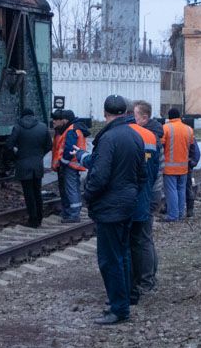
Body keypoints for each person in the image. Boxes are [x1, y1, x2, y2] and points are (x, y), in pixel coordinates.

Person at [78, 95, 146, 325]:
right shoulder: (135, 135)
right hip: (127, 203)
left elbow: (99, 175)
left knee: (110, 259)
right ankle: (124, 300)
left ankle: (118, 308)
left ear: (105, 113)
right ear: (125, 111)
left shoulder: (108, 139)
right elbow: (142, 174)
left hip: (110, 206)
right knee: (123, 254)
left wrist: (87, 196)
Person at [128, 100, 160, 302]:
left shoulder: (147, 137)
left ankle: (146, 280)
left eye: (135, 116)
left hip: (147, 194)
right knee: (145, 237)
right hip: (151, 193)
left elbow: (148, 172)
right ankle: (148, 277)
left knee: (143, 238)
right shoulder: (154, 135)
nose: (132, 119)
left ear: (145, 118)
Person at [7, 107, 52, 228]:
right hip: (37, 164)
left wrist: (17, 156)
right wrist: (39, 155)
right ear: (33, 115)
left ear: (22, 116)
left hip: (23, 164)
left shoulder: (17, 127)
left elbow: (9, 145)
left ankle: (33, 220)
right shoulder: (42, 127)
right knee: (37, 191)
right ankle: (40, 218)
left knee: (28, 194)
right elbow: (49, 145)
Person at [50, 109, 88, 223]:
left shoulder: (71, 130)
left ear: (65, 120)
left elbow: (69, 150)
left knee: (71, 189)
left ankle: (74, 214)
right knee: (71, 188)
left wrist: (63, 161)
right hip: (70, 164)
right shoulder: (71, 129)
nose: (54, 122)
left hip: (70, 165)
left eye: (58, 119)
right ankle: (71, 212)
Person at [160, 108, 195, 222]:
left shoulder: (165, 128)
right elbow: (192, 147)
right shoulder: (189, 129)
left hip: (170, 167)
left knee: (171, 191)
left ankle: (173, 216)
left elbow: (161, 145)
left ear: (169, 117)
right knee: (181, 190)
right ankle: (180, 214)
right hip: (184, 167)